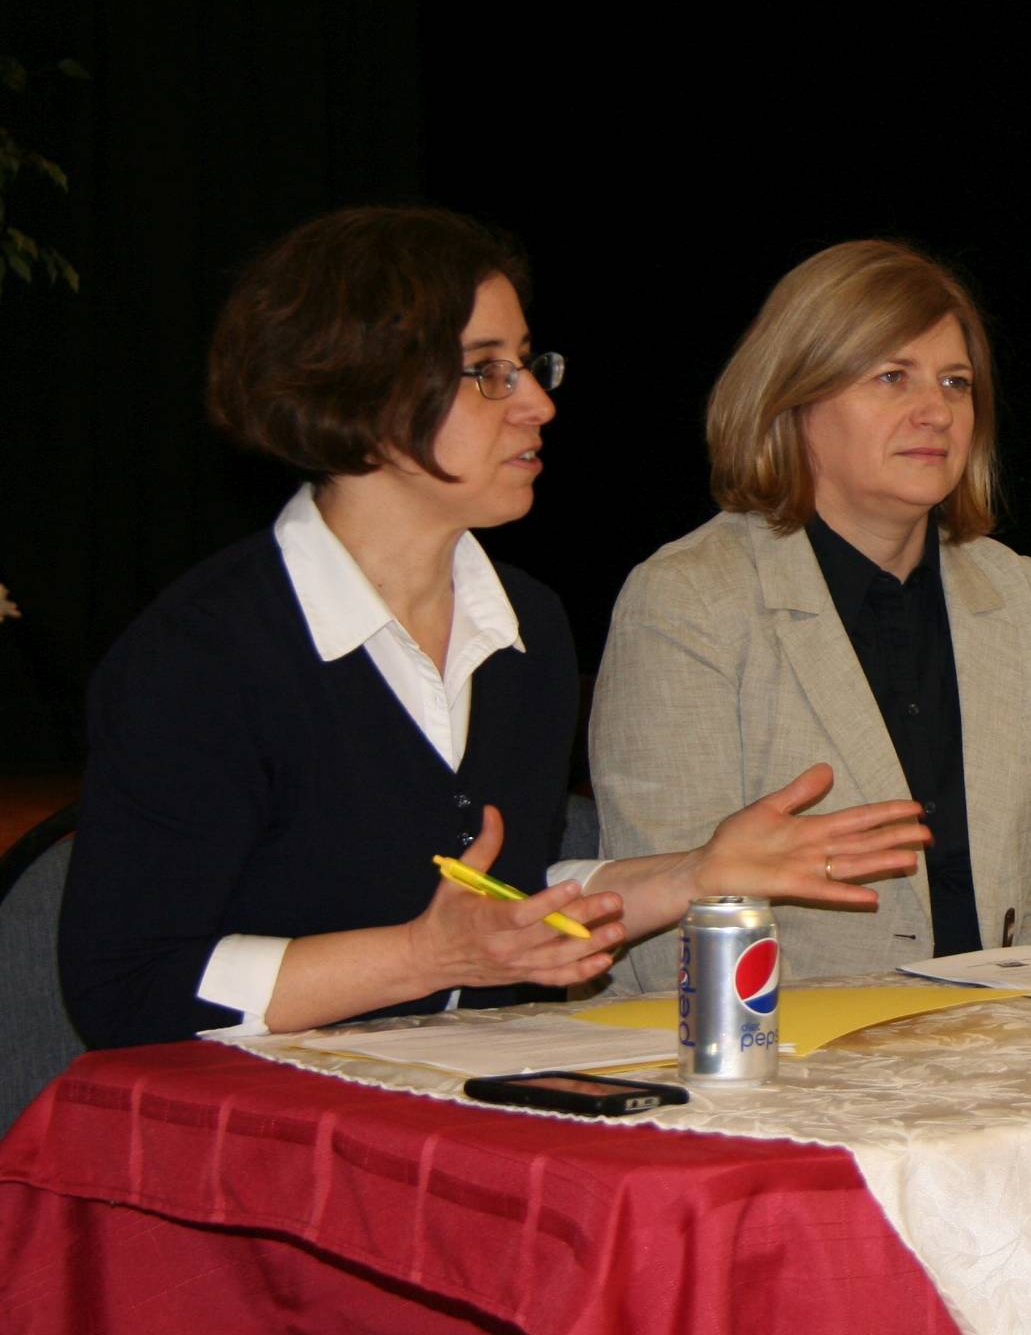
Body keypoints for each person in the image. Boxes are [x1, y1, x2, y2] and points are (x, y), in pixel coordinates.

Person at [63, 207, 928, 1050]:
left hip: (461, 1097)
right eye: (487, 372)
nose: (537, 405)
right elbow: (126, 988)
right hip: (255, 1119)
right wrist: (421, 958)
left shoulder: (525, 628)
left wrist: (694, 875)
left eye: (528, 364)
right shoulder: (203, 655)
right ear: (359, 388)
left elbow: (507, 900)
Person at [590, 240, 1031, 990]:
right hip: (782, 1042)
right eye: (893, 377)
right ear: (793, 399)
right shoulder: (690, 599)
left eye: (956, 383)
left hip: (1006, 1033)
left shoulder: (1016, 594)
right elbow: (669, 931)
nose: (937, 412)